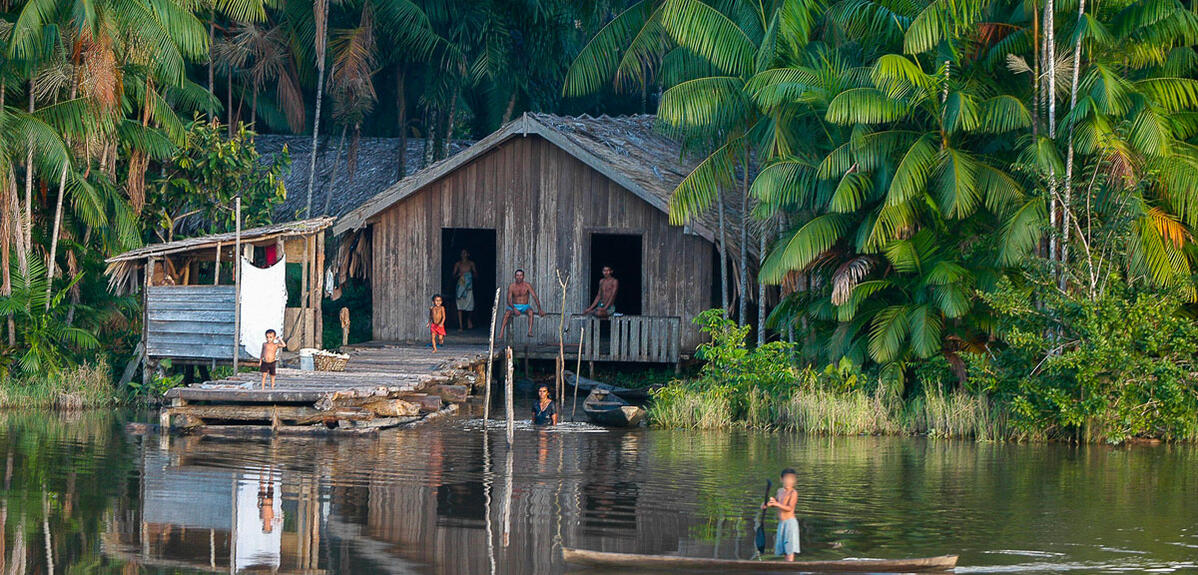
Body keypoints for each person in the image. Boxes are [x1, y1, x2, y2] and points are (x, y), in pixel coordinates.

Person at [763, 468, 800, 561]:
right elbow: (775, 502)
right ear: (781, 479)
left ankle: (790, 567)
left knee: (789, 549)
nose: (789, 481)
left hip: (790, 524)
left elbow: (789, 508)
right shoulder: (780, 491)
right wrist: (767, 504)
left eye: (791, 479)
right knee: (783, 549)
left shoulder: (793, 493)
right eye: (787, 478)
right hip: (782, 523)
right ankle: (786, 566)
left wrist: (776, 504)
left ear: (794, 481)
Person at [498, 269, 545, 338]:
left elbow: (535, 297)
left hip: (525, 306)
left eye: (520, 275)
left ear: (523, 276)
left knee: (530, 312)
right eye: (517, 275)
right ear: (515, 276)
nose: (519, 277)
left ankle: (530, 331)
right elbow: (509, 300)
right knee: (507, 314)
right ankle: (501, 332)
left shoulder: (527, 285)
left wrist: (539, 309)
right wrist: (514, 309)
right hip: (514, 305)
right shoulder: (512, 286)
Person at [453, 249, 476, 330]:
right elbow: (453, 276)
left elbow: (476, 274)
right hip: (460, 286)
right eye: (462, 253)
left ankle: (469, 320)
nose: (463, 254)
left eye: (465, 253)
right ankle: (461, 326)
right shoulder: (458, 264)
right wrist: (459, 275)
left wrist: (469, 276)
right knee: (459, 306)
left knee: (470, 305)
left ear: (468, 254)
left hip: (469, 287)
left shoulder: (471, 264)